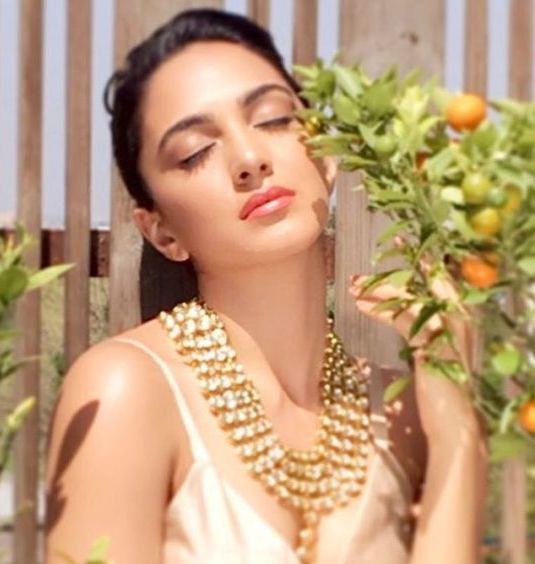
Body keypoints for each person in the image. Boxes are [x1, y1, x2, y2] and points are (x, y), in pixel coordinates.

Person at [44, 8, 488, 563]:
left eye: (274, 119)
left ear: (323, 157)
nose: (249, 158)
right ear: (161, 231)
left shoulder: (404, 415)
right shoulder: (126, 392)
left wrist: (453, 412)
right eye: (194, 152)